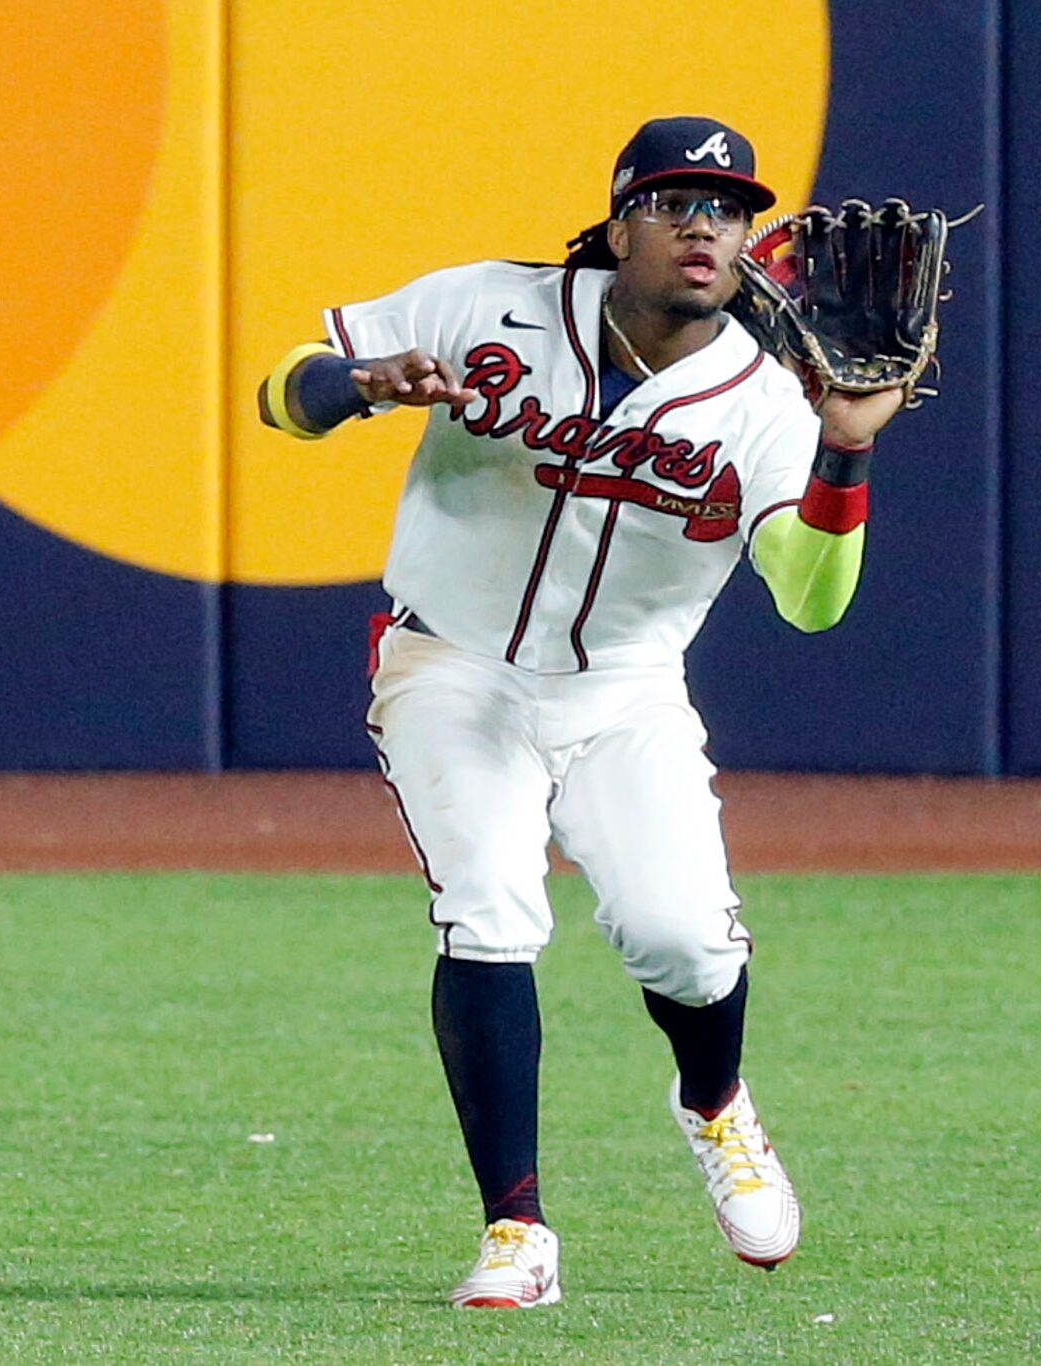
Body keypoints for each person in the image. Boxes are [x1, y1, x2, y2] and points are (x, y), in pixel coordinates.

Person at [256, 116, 903, 1310]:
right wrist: (351, 386)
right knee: (490, 913)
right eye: (671, 202)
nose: (702, 225)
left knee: (684, 942)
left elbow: (809, 603)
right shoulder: (487, 305)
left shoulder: (762, 401)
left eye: (726, 208)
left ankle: (713, 1107)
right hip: (450, 663)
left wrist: (844, 455)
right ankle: (516, 1232)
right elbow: (278, 394)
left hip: (624, 690)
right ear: (619, 226)